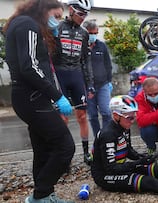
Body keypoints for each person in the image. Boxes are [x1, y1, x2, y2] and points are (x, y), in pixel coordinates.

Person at [4, 1, 76, 202]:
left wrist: (52, 39)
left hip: (32, 97)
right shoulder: (27, 24)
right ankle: (40, 194)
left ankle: (44, 195)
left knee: (43, 148)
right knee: (65, 146)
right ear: (43, 9)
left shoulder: (26, 25)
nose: (58, 21)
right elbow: (30, 67)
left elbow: (44, 66)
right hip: (31, 97)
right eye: (57, 15)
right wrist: (57, 96)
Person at [52, 0, 94, 165]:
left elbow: (86, 61)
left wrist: (90, 83)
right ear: (71, 10)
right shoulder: (57, 28)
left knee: (83, 116)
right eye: (81, 13)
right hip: (60, 74)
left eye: (86, 14)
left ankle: (85, 153)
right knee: (62, 118)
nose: (84, 18)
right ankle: (64, 156)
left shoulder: (84, 33)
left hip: (76, 75)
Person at [83, 20, 113, 137]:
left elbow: (108, 64)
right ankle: (98, 137)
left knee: (106, 112)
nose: (93, 35)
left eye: (96, 33)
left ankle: (106, 136)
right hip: (88, 87)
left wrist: (109, 81)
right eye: (91, 33)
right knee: (93, 115)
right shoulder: (82, 48)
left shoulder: (102, 46)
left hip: (103, 84)